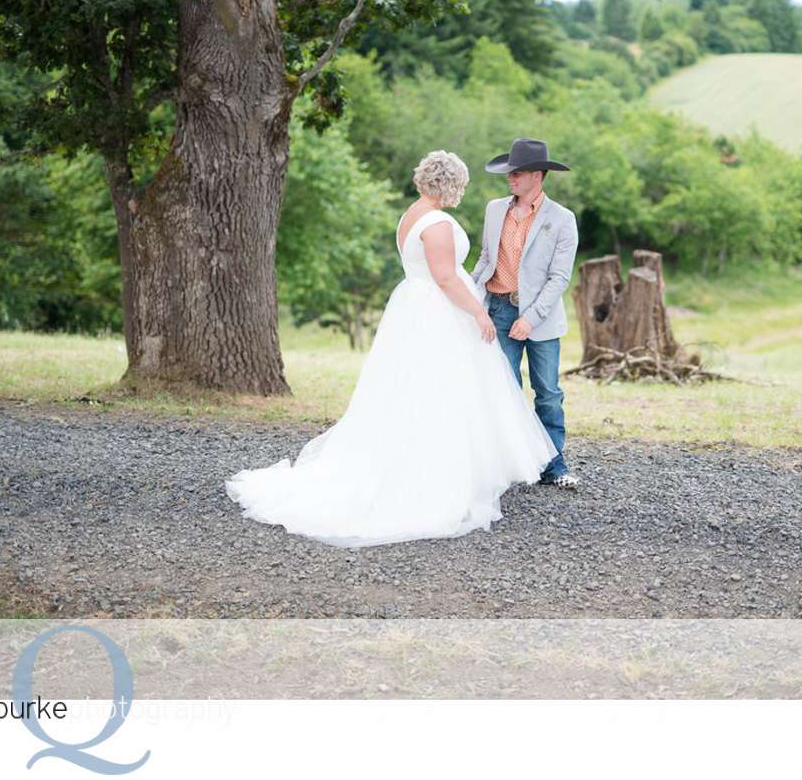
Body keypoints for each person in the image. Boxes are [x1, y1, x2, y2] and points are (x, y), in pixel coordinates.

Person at [225, 150, 556, 547]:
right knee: (439, 392)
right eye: (461, 186)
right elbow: (447, 279)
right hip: (438, 315)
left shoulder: (412, 214)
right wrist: (479, 315)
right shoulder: (436, 223)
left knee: (415, 390)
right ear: (450, 185)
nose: (463, 193)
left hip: (416, 309)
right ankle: (431, 475)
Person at [470, 138, 583, 490]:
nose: (510, 178)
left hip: (542, 319)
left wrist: (530, 318)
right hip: (499, 309)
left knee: (547, 391)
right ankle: (510, 464)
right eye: (509, 173)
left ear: (537, 175)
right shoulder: (494, 210)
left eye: (516, 173)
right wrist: (470, 300)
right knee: (505, 389)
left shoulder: (562, 220)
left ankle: (554, 466)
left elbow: (559, 278)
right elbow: (487, 259)